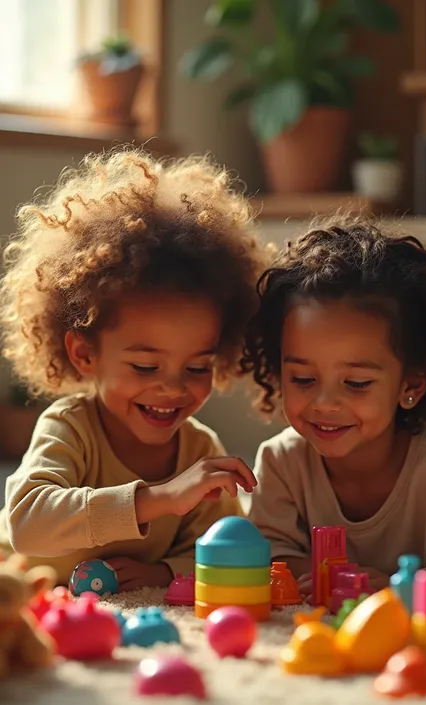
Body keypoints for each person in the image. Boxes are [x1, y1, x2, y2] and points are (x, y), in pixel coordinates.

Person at [0, 148, 267, 590]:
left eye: (198, 366)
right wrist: (159, 499)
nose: (173, 388)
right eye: (145, 366)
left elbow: (217, 550)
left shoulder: (199, 451)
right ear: (85, 354)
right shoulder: (70, 428)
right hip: (26, 590)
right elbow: (27, 525)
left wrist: (162, 572)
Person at [243, 213, 426, 595]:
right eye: (303, 379)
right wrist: (325, 576)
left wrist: (409, 585)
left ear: (410, 385)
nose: (326, 403)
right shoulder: (281, 464)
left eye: (357, 383)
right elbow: (268, 555)